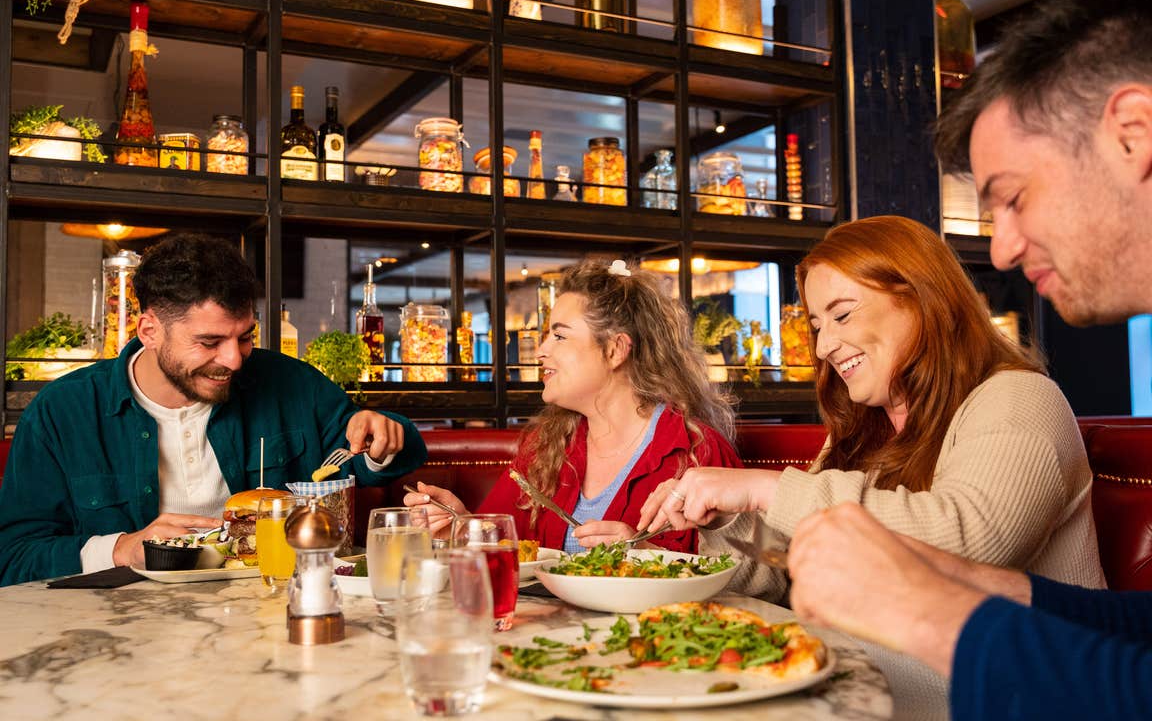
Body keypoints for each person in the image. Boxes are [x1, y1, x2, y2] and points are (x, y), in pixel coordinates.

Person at [784, 0, 1152, 720]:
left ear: (1133, 133)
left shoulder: (1013, 398)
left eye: (1013, 197)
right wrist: (987, 588)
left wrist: (926, 607)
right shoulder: (864, 426)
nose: (1003, 251)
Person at [639, 216, 1105, 717]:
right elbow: (788, 572)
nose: (823, 347)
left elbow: (973, 540)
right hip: (851, 691)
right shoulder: (862, 430)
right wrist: (725, 524)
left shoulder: (1019, 397)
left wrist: (763, 490)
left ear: (923, 298)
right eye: (817, 326)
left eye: (842, 315)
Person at [0, 234, 427, 586]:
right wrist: (122, 548)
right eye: (209, 343)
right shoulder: (63, 411)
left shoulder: (288, 382)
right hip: (120, 634)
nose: (235, 360)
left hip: (272, 614)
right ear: (149, 330)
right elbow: (13, 557)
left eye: (245, 337)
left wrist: (380, 436)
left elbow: (387, 459)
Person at [405, 258, 741, 553]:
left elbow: (737, 578)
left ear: (615, 350)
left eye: (560, 336)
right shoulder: (545, 446)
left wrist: (646, 558)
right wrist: (462, 527)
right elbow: (508, 548)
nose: (541, 350)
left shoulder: (698, 452)